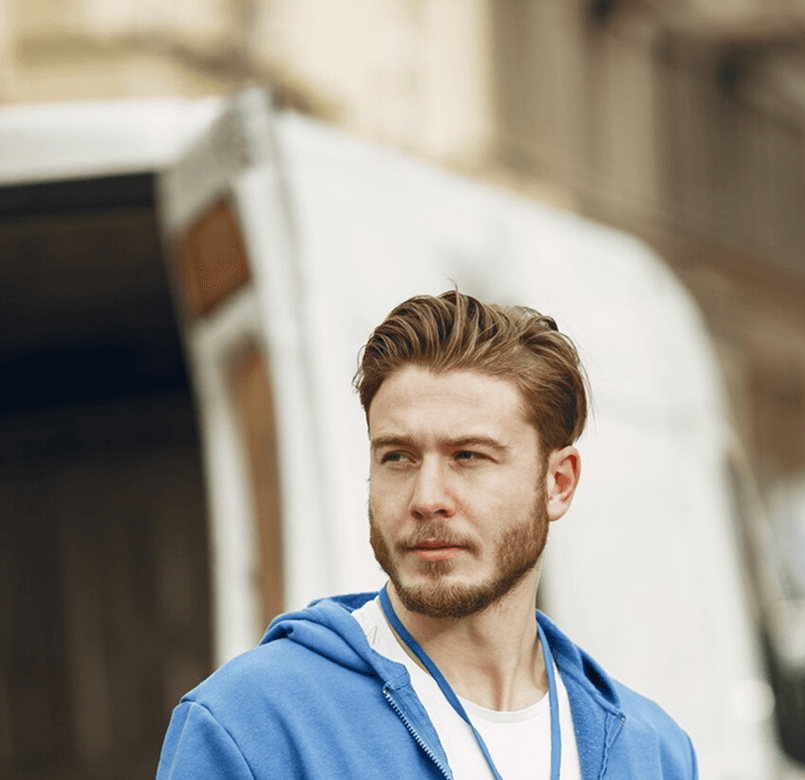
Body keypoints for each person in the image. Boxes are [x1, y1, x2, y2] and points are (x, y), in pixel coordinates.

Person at [156, 290, 698, 779]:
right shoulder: (249, 727)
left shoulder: (652, 752)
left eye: (468, 456)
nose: (426, 498)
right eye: (398, 457)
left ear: (557, 483)